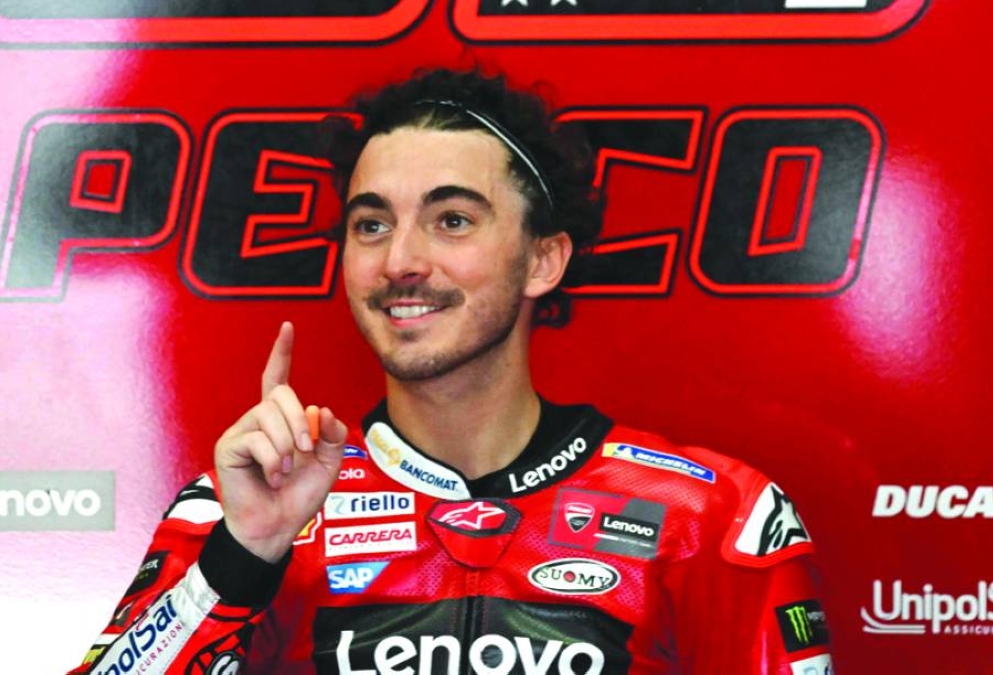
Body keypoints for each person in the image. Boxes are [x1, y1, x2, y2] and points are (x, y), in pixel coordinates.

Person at [70, 68, 833, 674]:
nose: (400, 260)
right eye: (372, 223)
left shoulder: (714, 517)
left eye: (452, 219)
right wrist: (242, 555)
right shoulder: (243, 505)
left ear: (543, 259)